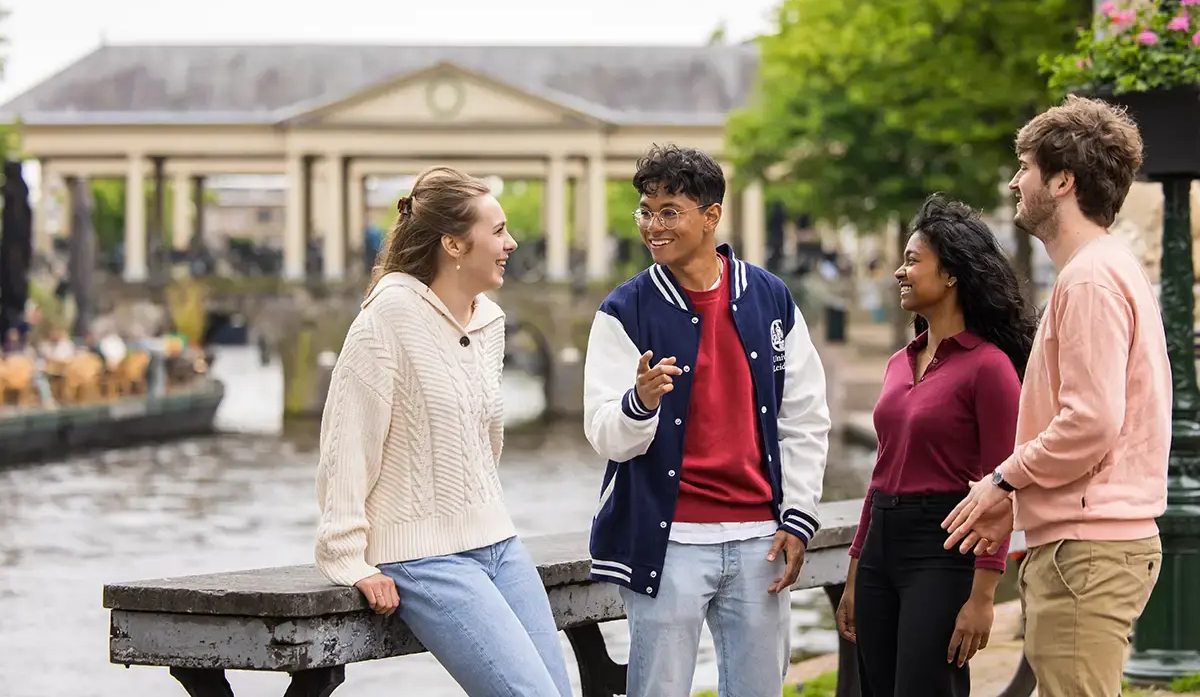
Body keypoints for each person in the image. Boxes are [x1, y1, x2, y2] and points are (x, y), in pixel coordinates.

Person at [582, 144, 832, 697]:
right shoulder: (624, 311)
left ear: (712, 215)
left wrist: (797, 517)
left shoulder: (771, 297)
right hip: (667, 544)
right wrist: (639, 402)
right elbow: (603, 433)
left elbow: (805, 417)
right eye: (646, 210)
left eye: (670, 210)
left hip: (760, 541)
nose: (653, 225)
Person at [313, 166, 571, 697]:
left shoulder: (490, 323)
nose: (511, 242)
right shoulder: (385, 320)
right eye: (497, 231)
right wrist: (349, 560)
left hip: (498, 540)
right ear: (454, 243)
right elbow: (346, 445)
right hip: (423, 556)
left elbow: (481, 445)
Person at [943, 95, 1171, 696]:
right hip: (1089, 544)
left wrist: (1003, 480)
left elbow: (1092, 422)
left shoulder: (1091, 279)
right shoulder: (1105, 269)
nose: (1015, 181)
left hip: (1088, 551)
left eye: (1025, 168)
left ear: (1063, 180)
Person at [836, 195, 1035, 697]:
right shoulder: (898, 363)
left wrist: (984, 596)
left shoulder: (989, 367)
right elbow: (880, 474)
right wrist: (857, 569)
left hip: (943, 548)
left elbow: (1001, 488)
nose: (900, 272)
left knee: (925, 688)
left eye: (912, 260)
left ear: (950, 275)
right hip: (882, 543)